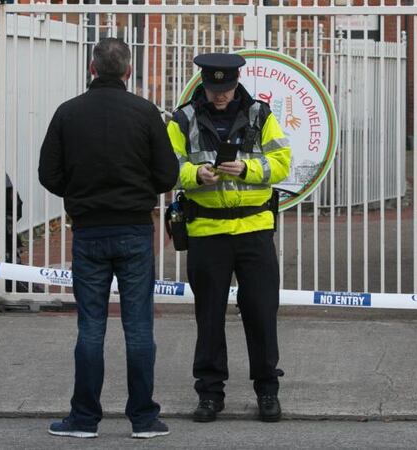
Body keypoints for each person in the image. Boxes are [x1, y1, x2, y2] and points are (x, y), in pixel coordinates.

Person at [38, 38, 179, 439]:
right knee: (138, 329)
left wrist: (78, 192)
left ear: (92, 68)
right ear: (129, 71)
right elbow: (167, 174)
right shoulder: (145, 113)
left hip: (89, 231)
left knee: (90, 328)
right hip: (134, 229)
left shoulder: (68, 113)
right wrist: (139, 189)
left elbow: (48, 173)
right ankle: (144, 419)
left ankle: (83, 419)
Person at [167, 53, 291, 423]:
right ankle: (209, 394)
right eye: (213, 88)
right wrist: (194, 175)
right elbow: (166, 167)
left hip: (253, 230)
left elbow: (283, 162)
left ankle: (268, 391)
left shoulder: (260, 115)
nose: (220, 96)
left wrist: (248, 168)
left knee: (262, 313)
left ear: (237, 82)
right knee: (208, 317)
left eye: (226, 88)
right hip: (207, 230)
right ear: (203, 83)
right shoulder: (183, 118)